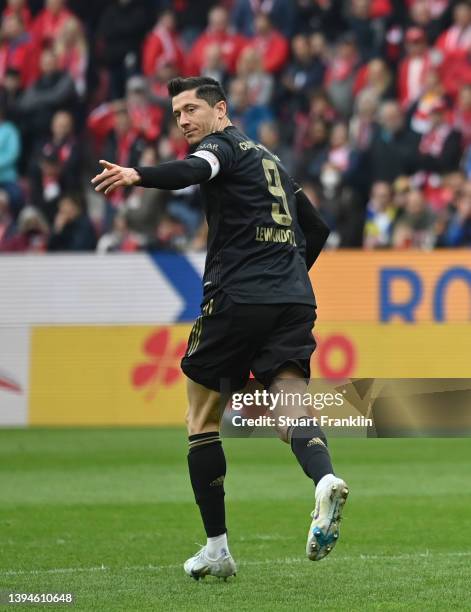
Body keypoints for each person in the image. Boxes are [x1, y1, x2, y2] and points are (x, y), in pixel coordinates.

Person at [91, 76, 349, 580]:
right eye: (176, 113)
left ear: (221, 109)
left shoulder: (221, 147)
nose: (183, 120)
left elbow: (194, 169)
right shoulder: (271, 159)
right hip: (293, 298)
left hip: (237, 296)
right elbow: (317, 228)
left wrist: (135, 174)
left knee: (201, 417)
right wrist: (286, 274)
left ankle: (217, 549)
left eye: (190, 109)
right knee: (290, 406)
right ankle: (325, 480)